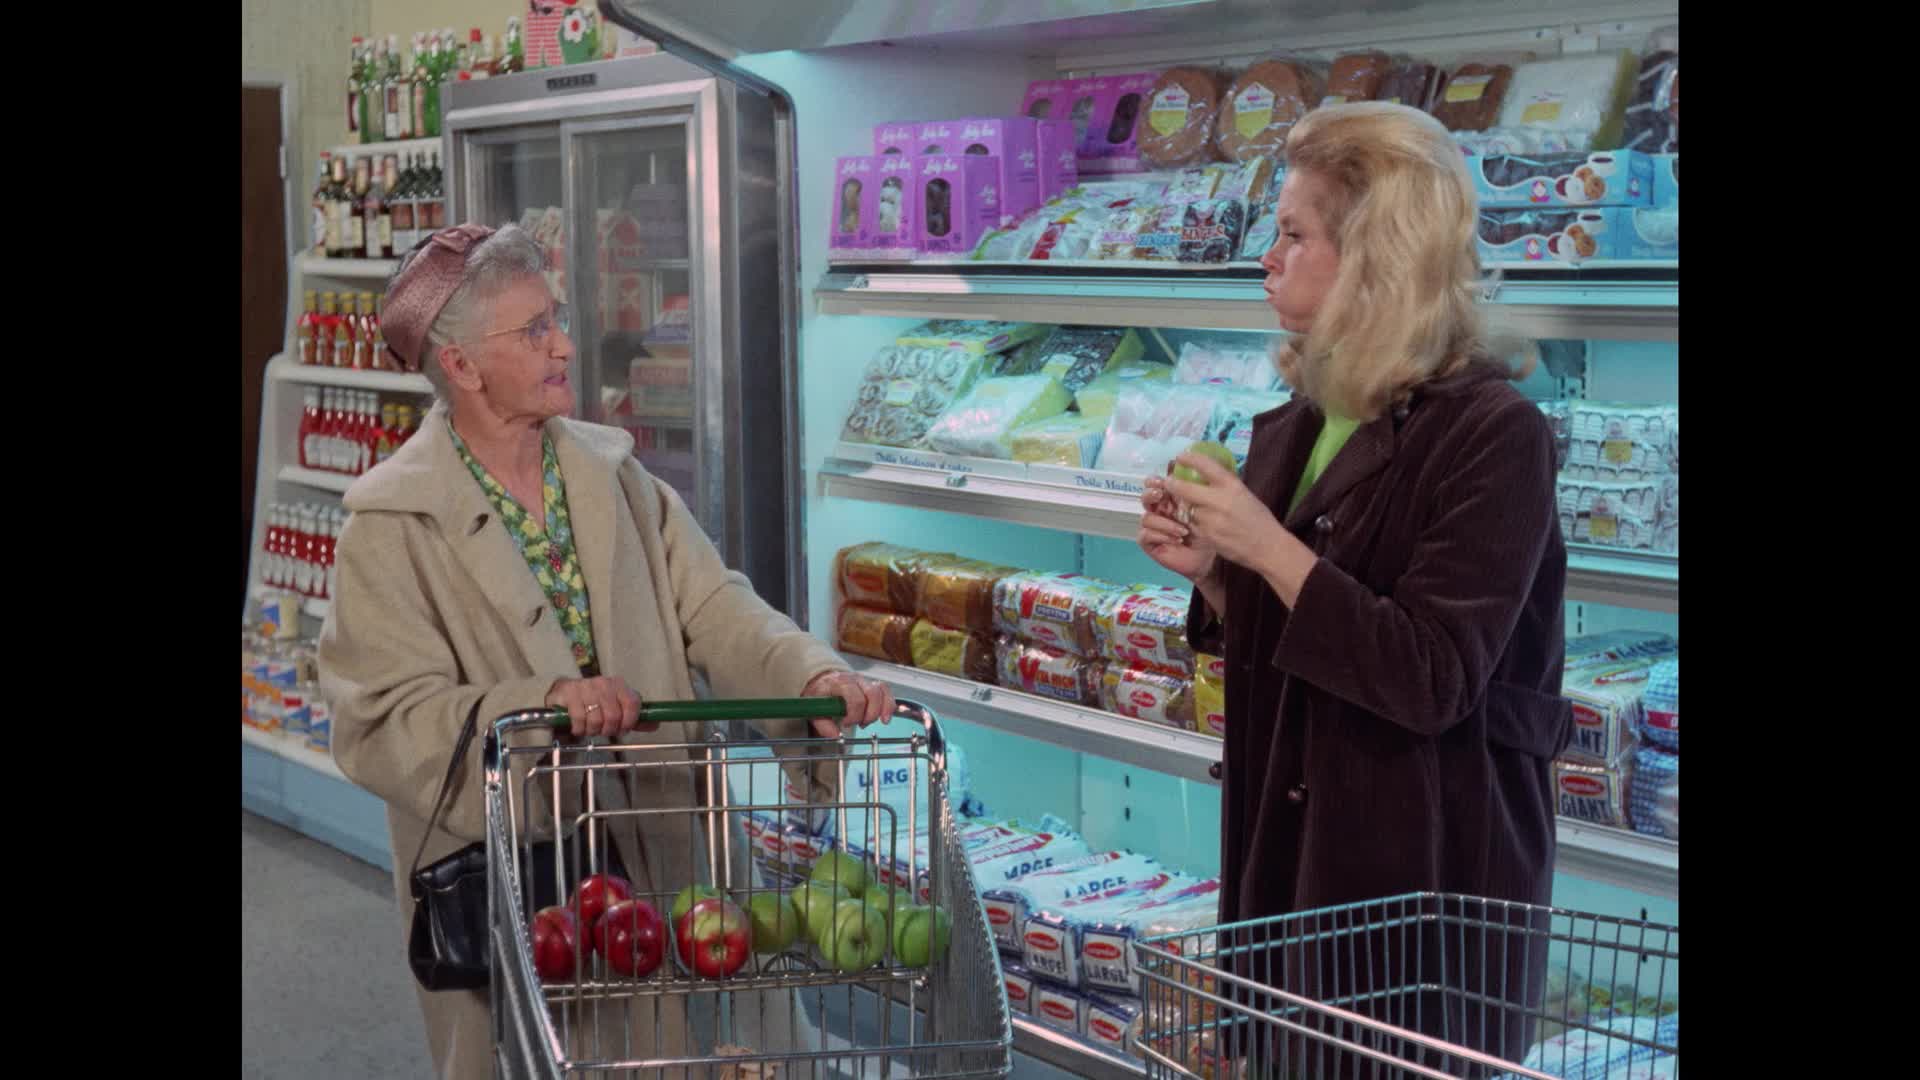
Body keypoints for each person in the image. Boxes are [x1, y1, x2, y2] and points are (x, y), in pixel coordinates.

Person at [317, 223, 894, 1079]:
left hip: (672, 856)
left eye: (555, 318)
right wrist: (539, 706)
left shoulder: (613, 473)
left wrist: (807, 672)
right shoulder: (390, 526)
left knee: (718, 1051)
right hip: (525, 888)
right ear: (462, 365)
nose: (564, 344)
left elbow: (715, 603)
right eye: (534, 330)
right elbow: (383, 718)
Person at [1138, 103, 1572, 1074]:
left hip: (1424, 896)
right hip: (1290, 870)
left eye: (1295, 235)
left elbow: (1432, 674)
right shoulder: (1299, 422)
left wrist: (1267, 548)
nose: (1268, 258)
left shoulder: (1495, 435)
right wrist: (1218, 578)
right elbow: (1297, 642)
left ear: (1376, 257)